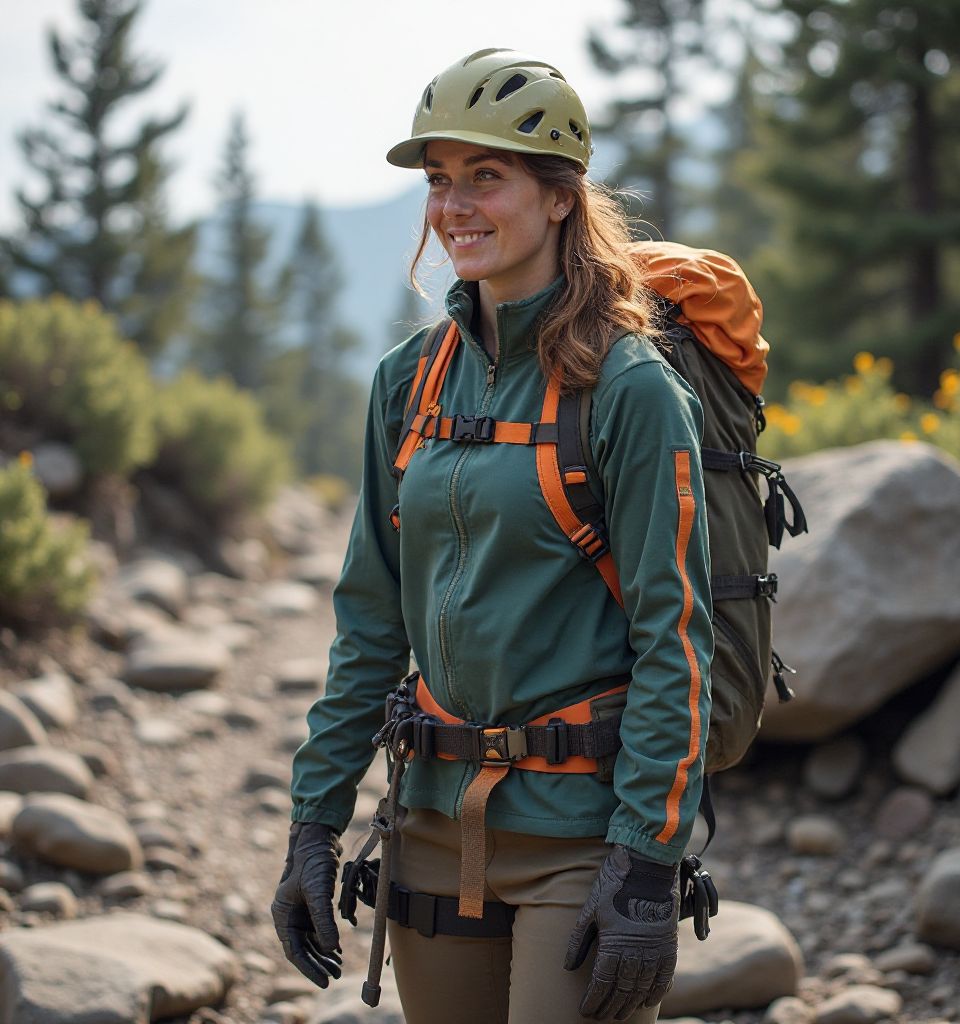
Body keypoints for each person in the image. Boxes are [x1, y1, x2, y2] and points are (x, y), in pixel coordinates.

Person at [271, 47, 714, 1024]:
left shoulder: (631, 389)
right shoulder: (408, 382)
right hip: (430, 821)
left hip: (580, 836)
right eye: (438, 180)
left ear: (559, 197)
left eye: (486, 175)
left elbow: (674, 641)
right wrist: (313, 818)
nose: (454, 205)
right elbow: (370, 622)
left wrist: (646, 861)